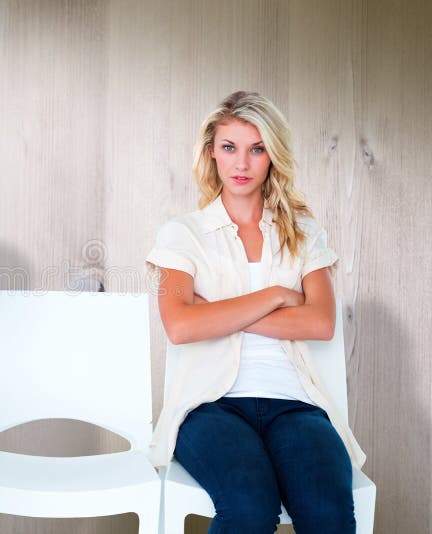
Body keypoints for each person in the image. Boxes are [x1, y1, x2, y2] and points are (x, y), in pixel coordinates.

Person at [147, 91, 365, 533]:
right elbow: (181, 325)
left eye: (256, 148)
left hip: (295, 405)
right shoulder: (182, 234)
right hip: (210, 406)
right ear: (212, 152)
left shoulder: (304, 233)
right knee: (249, 509)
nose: (241, 163)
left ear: (273, 155)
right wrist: (275, 295)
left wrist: (220, 313)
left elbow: (320, 323)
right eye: (229, 148)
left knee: (329, 515)